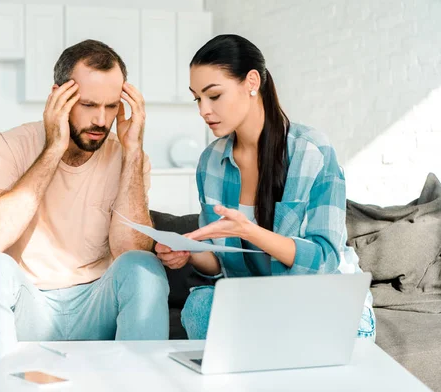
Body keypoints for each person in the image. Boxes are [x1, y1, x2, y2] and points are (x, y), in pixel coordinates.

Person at [0, 39, 169, 384]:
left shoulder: (130, 157)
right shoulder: (8, 146)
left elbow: (130, 251)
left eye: (111, 106)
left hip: (97, 305)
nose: (101, 120)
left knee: (143, 265)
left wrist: (132, 151)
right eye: (87, 105)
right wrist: (53, 147)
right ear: (59, 96)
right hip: (32, 308)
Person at [156, 34, 375, 341]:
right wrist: (189, 251)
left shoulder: (311, 152)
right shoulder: (210, 162)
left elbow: (324, 259)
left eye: (214, 96)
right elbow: (218, 262)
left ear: (252, 82)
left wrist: (249, 231)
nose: (203, 110)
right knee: (199, 307)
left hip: (318, 299)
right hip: (255, 303)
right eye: (197, 98)